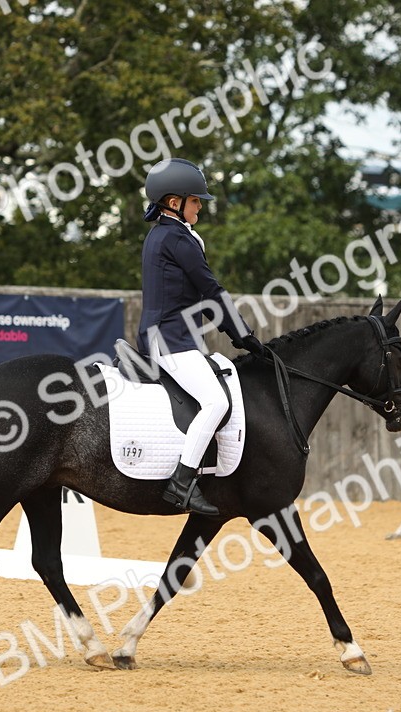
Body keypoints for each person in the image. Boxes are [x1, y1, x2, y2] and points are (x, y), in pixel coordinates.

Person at [138, 158, 265, 516]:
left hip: (171, 335)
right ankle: (181, 483)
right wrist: (244, 336)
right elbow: (210, 291)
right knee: (216, 402)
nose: (200, 207)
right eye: (195, 201)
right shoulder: (178, 239)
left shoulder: (161, 234)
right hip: (171, 339)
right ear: (174, 202)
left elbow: (198, 297)